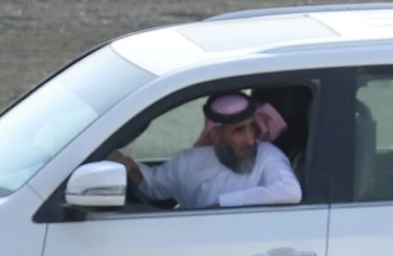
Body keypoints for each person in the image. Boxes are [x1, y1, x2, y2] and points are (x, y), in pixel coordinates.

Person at [116, 88, 301, 210]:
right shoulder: (187, 162)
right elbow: (152, 186)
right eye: (239, 131)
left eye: (252, 127)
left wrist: (222, 204)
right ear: (215, 136)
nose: (251, 139)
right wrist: (128, 167)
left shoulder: (267, 155)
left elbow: (289, 191)